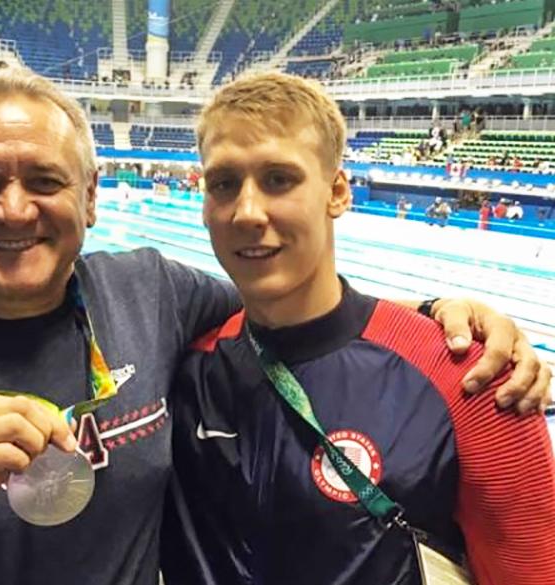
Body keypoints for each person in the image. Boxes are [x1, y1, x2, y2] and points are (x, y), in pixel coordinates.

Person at [0, 68, 546, 585]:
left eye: (45, 180)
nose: (15, 208)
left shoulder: (152, 295)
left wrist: (447, 316)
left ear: (92, 199)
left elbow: (297, 308)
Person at [161, 73, 555, 585]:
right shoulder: (184, 367)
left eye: (279, 179)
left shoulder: (473, 380)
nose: (247, 211)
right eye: (224, 183)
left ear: (337, 192)